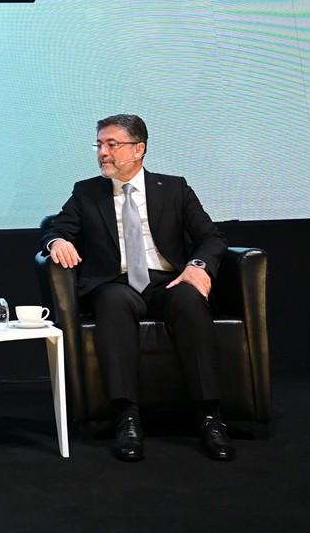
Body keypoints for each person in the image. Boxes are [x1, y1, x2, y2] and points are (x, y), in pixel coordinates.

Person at [41, 114, 236, 462]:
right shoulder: (87, 192)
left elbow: (211, 237)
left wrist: (197, 266)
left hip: (167, 280)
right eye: (99, 145)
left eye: (112, 144)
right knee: (113, 302)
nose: (103, 153)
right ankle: (126, 418)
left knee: (189, 300)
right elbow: (56, 228)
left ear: (138, 149)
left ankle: (210, 417)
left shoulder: (174, 189)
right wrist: (57, 241)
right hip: (115, 282)